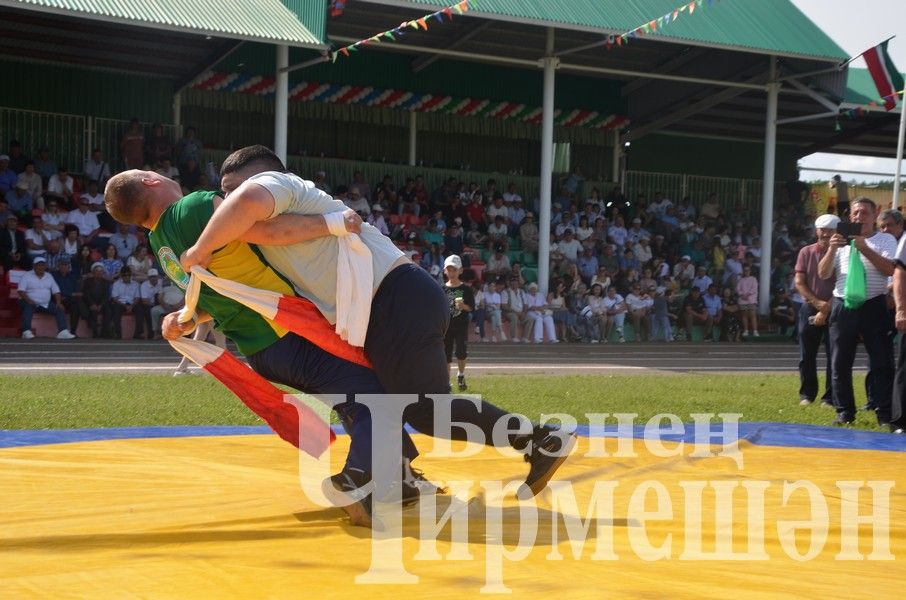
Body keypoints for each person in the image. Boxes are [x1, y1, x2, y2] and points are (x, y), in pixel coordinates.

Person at [105, 148, 575, 523]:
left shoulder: (270, 191)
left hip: (393, 299)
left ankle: (520, 445)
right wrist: (189, 311)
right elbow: (221, 275)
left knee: (413, 406)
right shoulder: (226, 221)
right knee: (387, 401)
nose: (225, 204)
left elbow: (245, 211)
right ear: (150, 182)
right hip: (358, 313)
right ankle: (404, 473)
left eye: (230, 195)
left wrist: (201, 261)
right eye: (221, 197)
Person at [818, 197, 896, 428]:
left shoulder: (885, 239)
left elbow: (889, 269)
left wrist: (864, 247)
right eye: (855, 213)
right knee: (840, 361)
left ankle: (884, 412)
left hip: (874, 304)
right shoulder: (839, 242)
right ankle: (845, 412)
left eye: (864, 213)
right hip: (843, 304)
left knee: (881, 360)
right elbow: (823, 273)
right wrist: (832, 249)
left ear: (875, 214)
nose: (859, 217)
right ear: (849, 216)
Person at [794, 214, 838, 407]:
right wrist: (818, 304)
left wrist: (826, 306)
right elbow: (799, 282)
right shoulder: (806, 251)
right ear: (816, 230)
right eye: (822, 229)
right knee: (806, 355)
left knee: (834, 355)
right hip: (810, 306)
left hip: (836, 306)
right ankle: (807, 394)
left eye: (830, 230)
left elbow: (844, 283)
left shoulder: (844, 253)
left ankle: (829, 397)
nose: (826, 233)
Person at [17, 257, 77, 339]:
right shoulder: (27, 275)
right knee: (28, 306)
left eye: (43, 265)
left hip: (45, 304)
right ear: (34, 266)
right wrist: (29, 300)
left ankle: (62, 331)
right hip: (29, 301)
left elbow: (56, 291)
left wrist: (58, 303)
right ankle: (26, 331)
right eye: (38, 265)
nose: (41, 267)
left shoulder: (49, 276)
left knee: (59, 309)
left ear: (45, 266)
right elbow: (21, 291)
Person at [442, 255, 473, 391]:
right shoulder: (441, 289)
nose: (452, 273)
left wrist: (463, 306)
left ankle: (461, 374)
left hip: (461, 325)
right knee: (445, 354)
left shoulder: (466, 289)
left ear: (460, 271)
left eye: (454, 270)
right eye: (449, 270)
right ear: (445, 271)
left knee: (461, 352)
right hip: (446, 327)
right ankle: (447, 381)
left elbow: (471, 307)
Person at [736, 264, 758, 337]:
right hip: (742, 300)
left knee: (752, 315)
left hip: (751, 300)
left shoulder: (753, 279)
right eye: (745, 270)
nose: (746, 271)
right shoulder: (741, 280)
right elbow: (738, 289)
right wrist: (742, 295)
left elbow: (754, 289)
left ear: (750, 271)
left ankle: (755, 331)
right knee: (744, 315)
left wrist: (746, 295)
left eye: (748, 270)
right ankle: (746, 330)